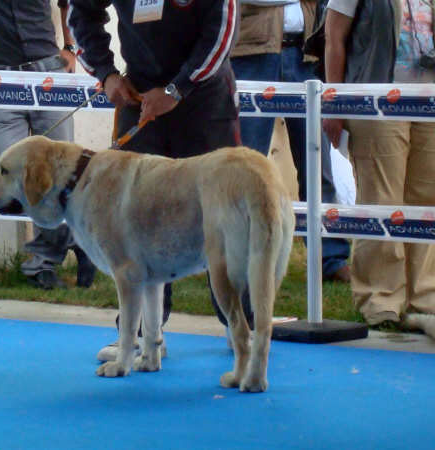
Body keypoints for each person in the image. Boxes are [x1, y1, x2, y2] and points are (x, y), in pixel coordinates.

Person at [68, 0, 244, 361]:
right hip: (140, 91)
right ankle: (141, 333)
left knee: (223, 218)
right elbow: (81, 13)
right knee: (134, 219)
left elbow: (222, 32)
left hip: (203, 95)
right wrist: (106, 73)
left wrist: (178, 89)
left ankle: (241, 324)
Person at [0, 0, 96, 289]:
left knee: (60, 179)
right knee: (6, 175)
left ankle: (43, 264)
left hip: (49, 73)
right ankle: (79, 243)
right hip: (2, 78)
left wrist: (71, 47)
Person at [323, 0, 435, 325]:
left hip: (429, 102)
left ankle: (424, 297)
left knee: (426, 204)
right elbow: (334, 37)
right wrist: (334, 102)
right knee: (381, 201)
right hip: (378, 102)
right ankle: (380, 300)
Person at [230, 0, 352, 283]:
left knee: (317, 164)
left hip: (304, 55)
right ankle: (239, 258)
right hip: (252, 55)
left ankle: (330, 259)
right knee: (246, 166)